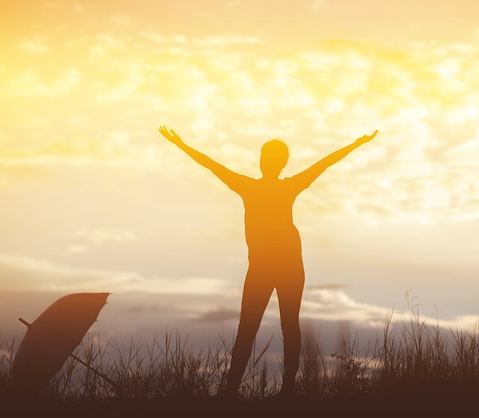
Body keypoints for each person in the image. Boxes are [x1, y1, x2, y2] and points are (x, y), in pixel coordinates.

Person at [158, 125, 378, 398]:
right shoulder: (256, 186)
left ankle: (278, 391)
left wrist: (356, 144)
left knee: (281, 325)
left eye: (271, 159)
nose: (267, 162)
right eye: (266, 157)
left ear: (279, 163)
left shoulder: (266, 186)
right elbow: (212, 165)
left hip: (286, 266)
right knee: (254, 327)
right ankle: (234, 390)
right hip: (265, 268)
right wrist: (181, 144)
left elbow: (325, 163)